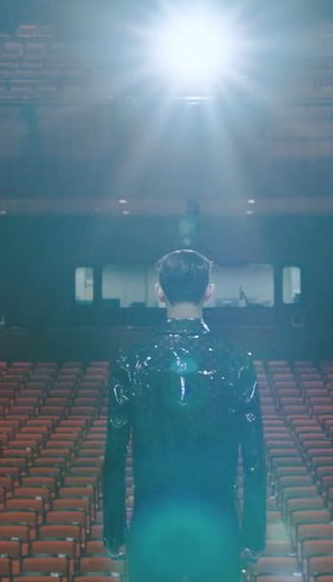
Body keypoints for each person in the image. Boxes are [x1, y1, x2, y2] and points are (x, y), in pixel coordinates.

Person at [102, 249, 266, 581]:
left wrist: (114, 531)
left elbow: (115, 458)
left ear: (159, 292)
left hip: (151, 527)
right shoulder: (236, 360)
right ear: (209, 291)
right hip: (218, 526)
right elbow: (254, 460)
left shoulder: (130, 361)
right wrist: (252, 536)